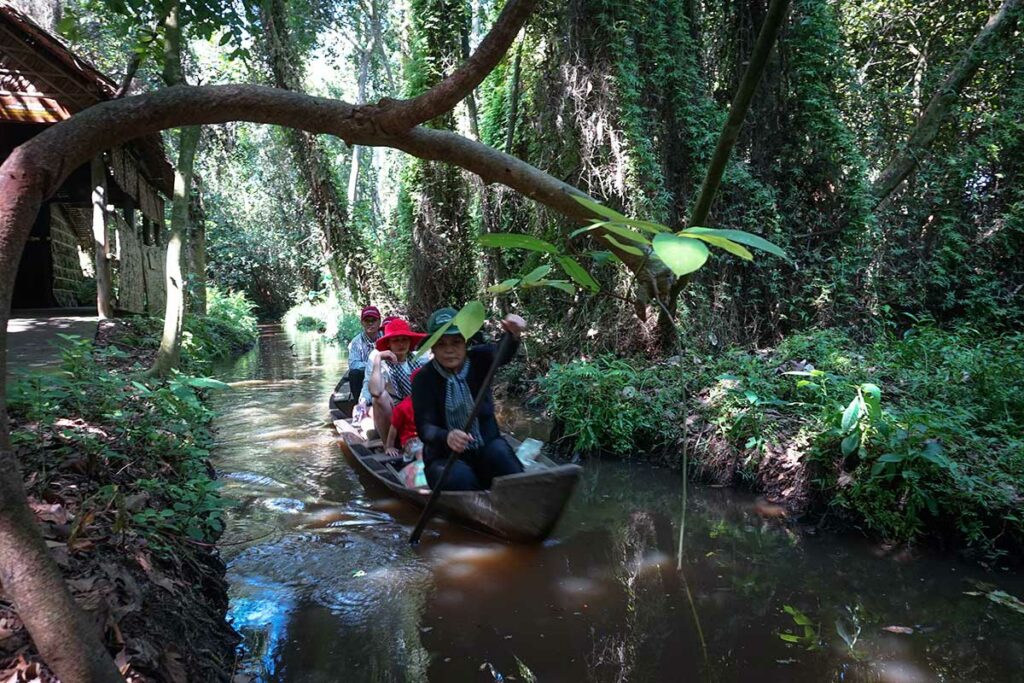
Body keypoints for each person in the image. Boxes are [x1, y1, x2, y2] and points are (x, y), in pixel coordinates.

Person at [412, 307, 526, 491]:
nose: (449, 350)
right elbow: (425, 428)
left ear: (465, 342)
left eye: (456, 342)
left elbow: (502, 351)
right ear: (432, 347)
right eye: (441, 344)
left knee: (503, 457)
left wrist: (512, 334)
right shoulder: (423, 378)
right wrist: (447, 436)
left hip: (485, 447)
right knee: (460, 478)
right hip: (444, 457)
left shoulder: (480, 359)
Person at [361, 318, 430, 440]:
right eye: (396, 340)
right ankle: (388, 442)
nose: (401, 344)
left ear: (410, 342)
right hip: (396, 414)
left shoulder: (420, 358)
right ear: (389, 344)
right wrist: (377, 360)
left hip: (418, 410)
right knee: (379, 399)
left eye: (404, 339)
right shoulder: (384, 364)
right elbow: (375, 392)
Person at [347, 306, 382, 404]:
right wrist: (372, 365)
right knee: (354, 373)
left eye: (373, 320)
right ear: (362, 322)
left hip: (384, 373)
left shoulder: (386, 337)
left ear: (379, 321)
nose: (370, 323)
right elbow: (353, 364)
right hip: (364, 374)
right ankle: (358, 403)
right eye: (367, 320)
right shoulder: (356, 342)